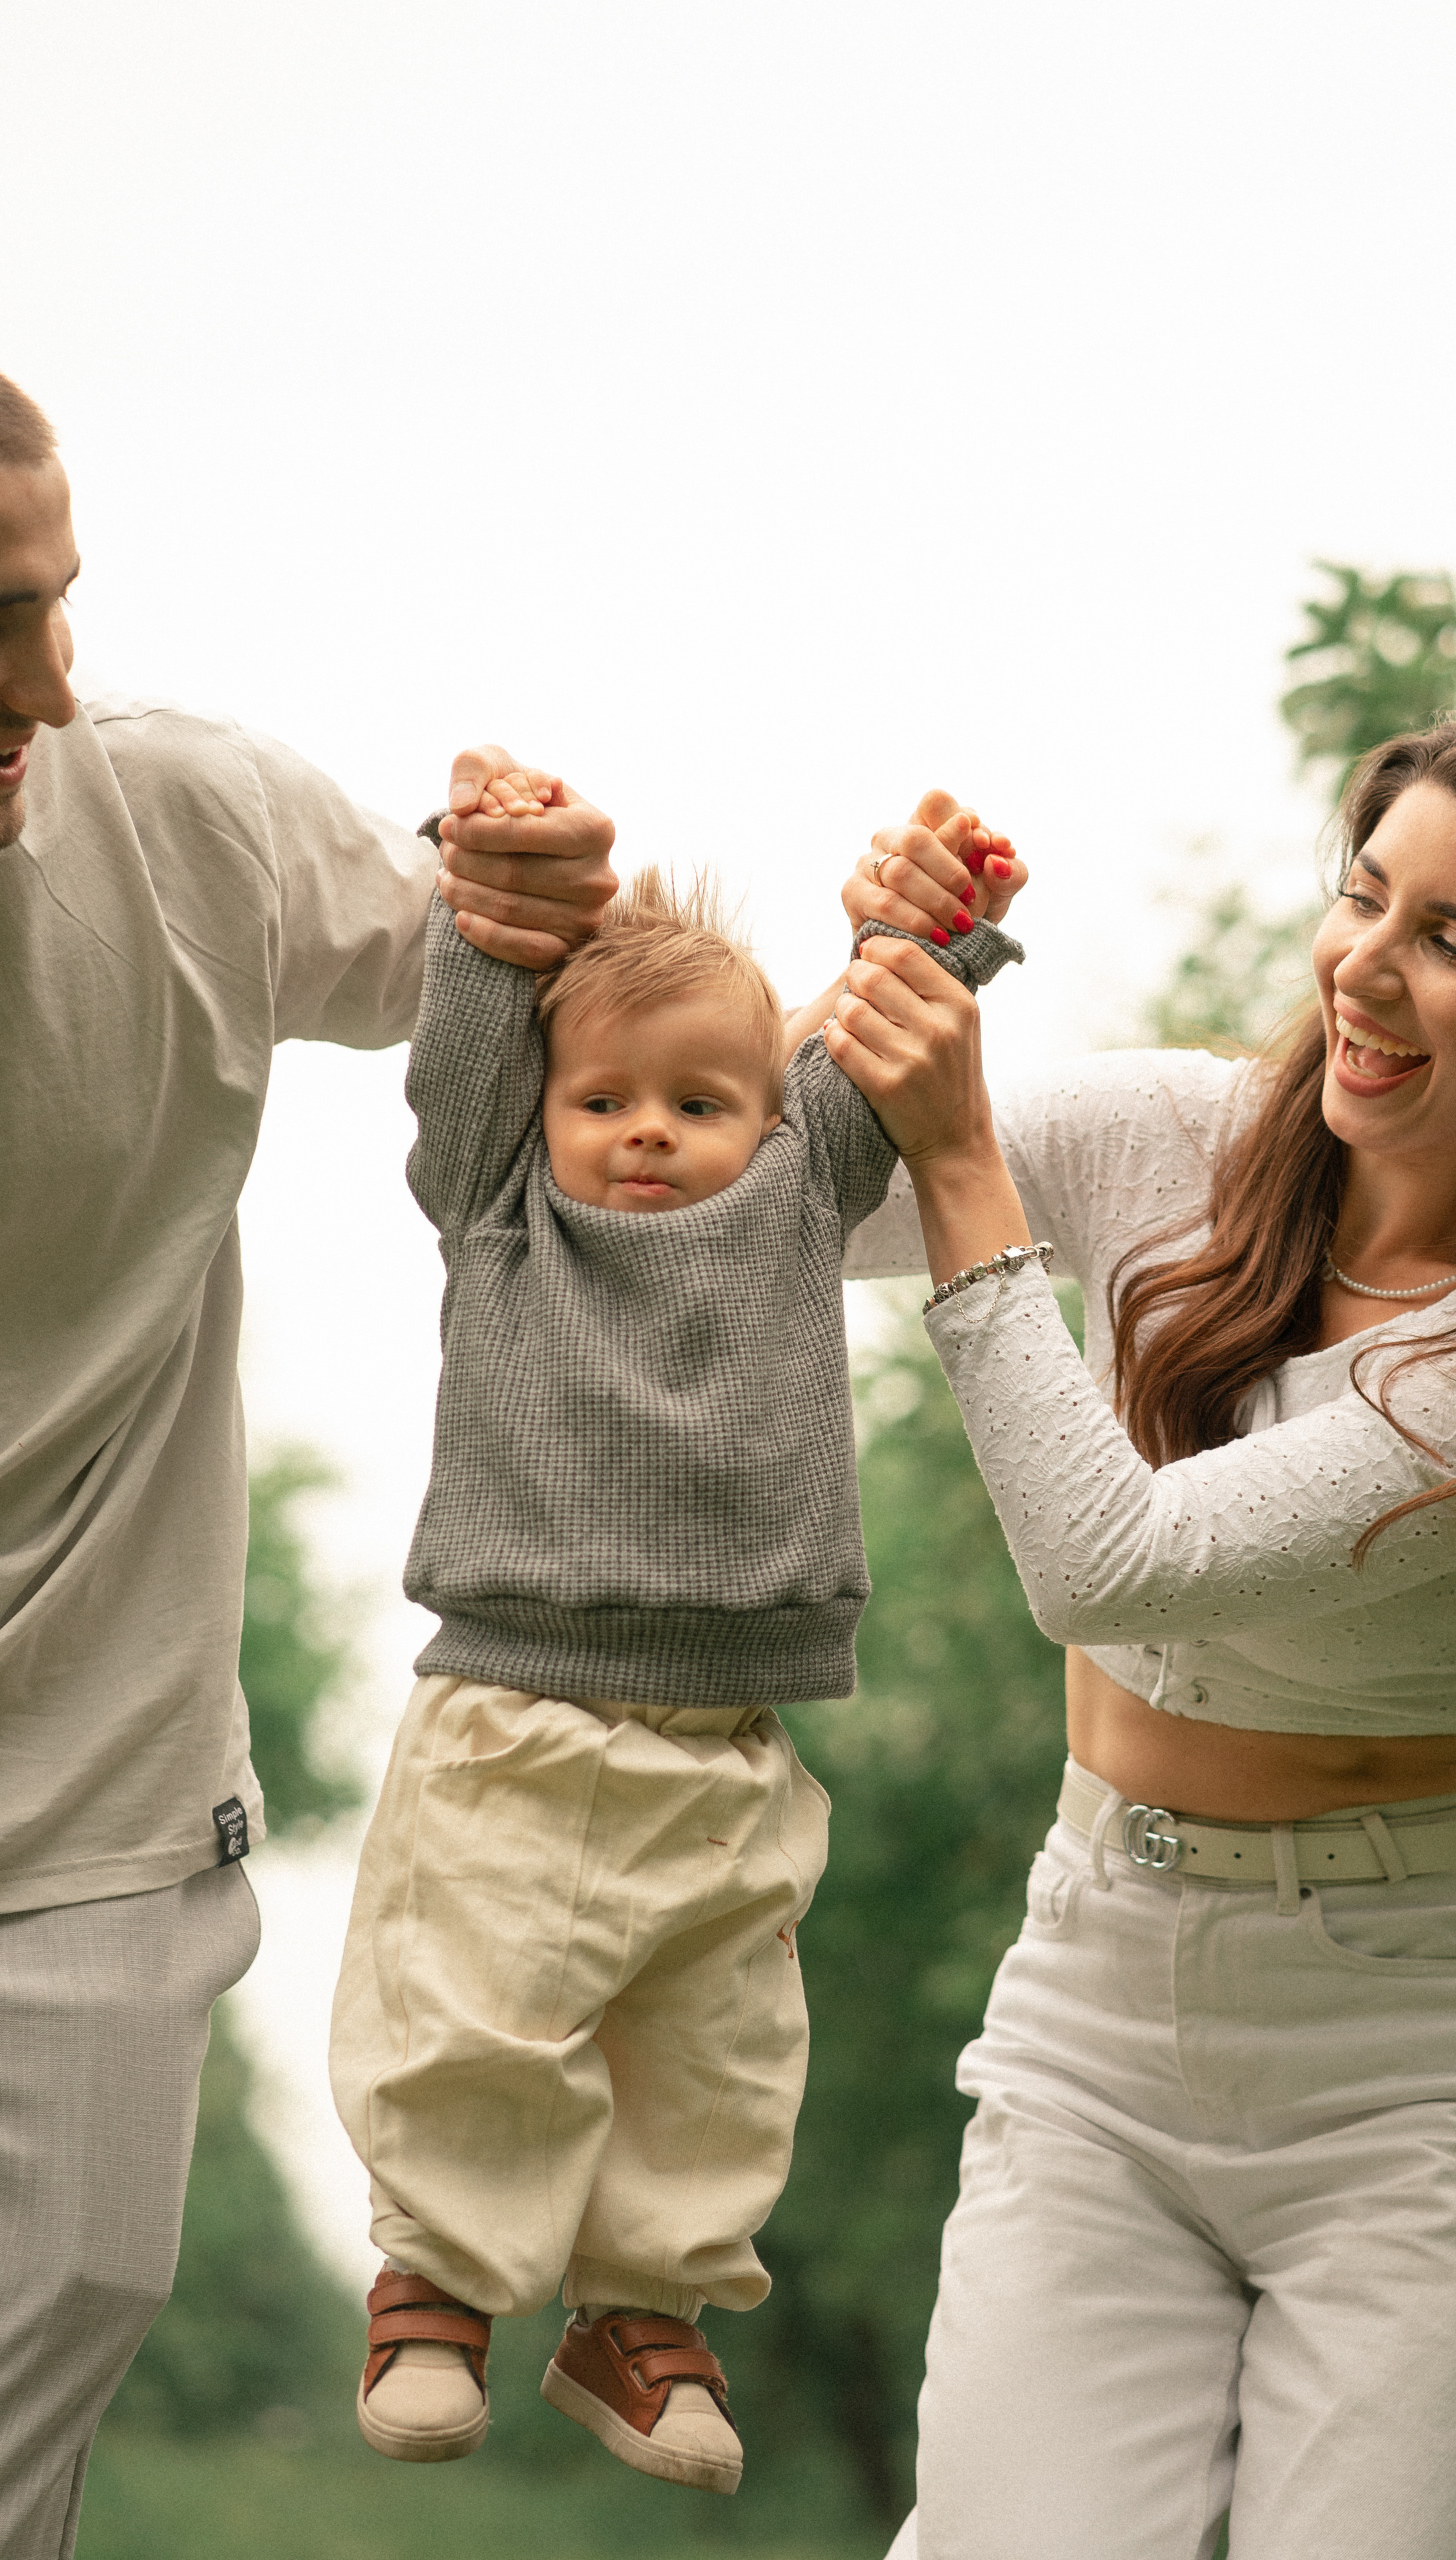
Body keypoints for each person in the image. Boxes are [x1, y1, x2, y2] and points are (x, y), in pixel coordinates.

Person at [819, 695, 1456, 2560]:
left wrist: (970, 1161)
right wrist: (878, 984)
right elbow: (787, 1204)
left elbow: (1107, 1564)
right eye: (1366, 901)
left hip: (1411, 2077)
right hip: (1099, 2006)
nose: (1365, 973)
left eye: (1453, 946)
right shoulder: (1179, 1135)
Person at [0, 373, 620, 2560]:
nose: (46, 688)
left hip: (84, 1837)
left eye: (55, 605)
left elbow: (566, 1016)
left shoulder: (181, 827)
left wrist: (537, 895)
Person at [328, 830, 1023, 2489]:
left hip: (728, 1735)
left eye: (702, 1103)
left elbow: (867, 1036)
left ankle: (638, 2312)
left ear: (772, 1123)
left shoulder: (798, 1196)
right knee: (478, 2008)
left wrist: (927, 919)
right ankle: (436, 2280)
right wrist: (496, 926)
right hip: (515, 1703)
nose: (648, 1129)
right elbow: (474, 1062)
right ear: (540, 1112)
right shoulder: (496, 1205)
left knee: (715, 2048)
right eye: (605, 1100)